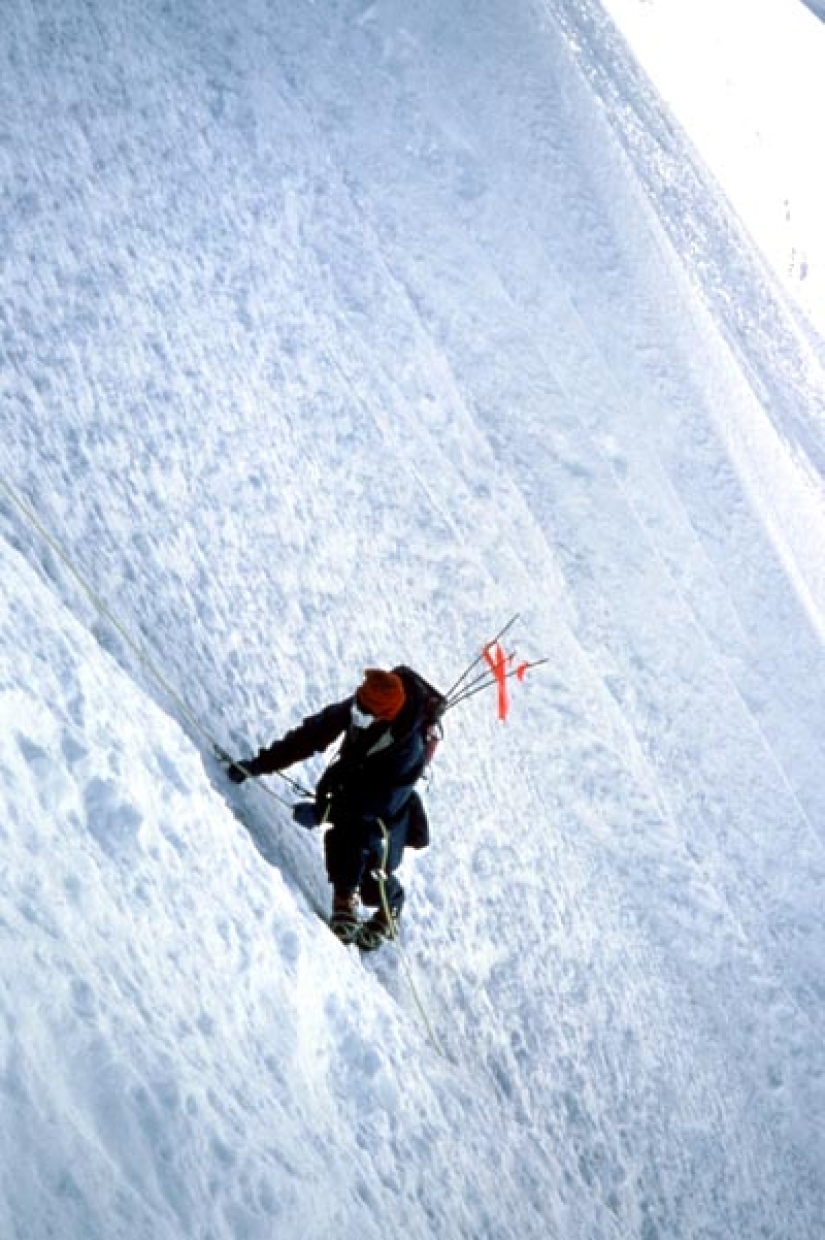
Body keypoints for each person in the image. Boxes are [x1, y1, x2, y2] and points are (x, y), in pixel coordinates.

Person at [224, 667, 431, 950]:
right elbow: (310, 736)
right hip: (349, 792)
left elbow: (375, 806)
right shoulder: (363, 706)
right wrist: (258, 765)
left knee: (370, 861)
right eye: (356, 709)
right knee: (344, 840)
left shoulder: (409, 751)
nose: (356, 718)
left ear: (386, 717)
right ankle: (344, 899)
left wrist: (324, 812)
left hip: (387, 817)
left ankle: (390, 905)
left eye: (364, 716)